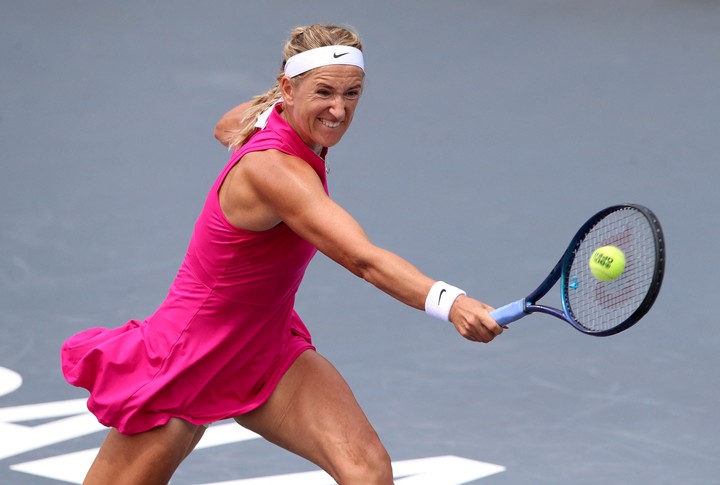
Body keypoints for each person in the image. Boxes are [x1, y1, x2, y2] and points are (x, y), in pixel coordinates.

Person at [61, 24, 504, 485]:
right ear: (289, 88)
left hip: (264, 346)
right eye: (324, 92)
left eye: (352, 93)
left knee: (367, 469)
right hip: (190, 354)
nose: (339, 109)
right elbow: (362, 258)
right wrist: (451, 302)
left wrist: (287, 100)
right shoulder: (277, 171)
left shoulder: (271, 117)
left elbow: (224, 125)